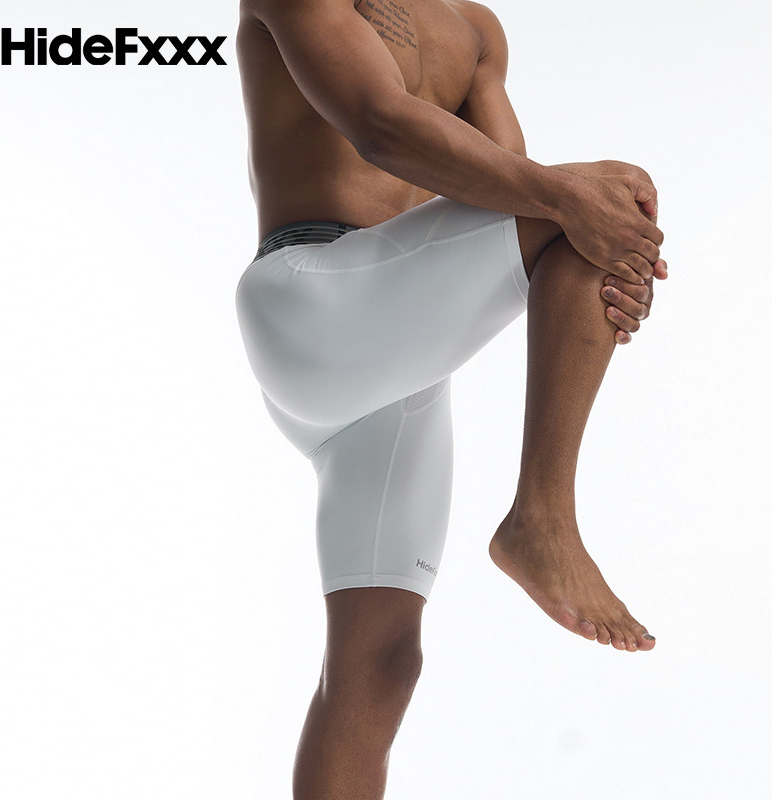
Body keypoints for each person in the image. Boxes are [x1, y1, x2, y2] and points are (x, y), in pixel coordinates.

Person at [234, 0, 667, 797]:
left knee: (381, 665)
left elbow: (512, 202)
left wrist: (614, 264)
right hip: (313, 303)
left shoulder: (475, 30)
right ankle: (542, 518)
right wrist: (581, 215)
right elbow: (378, 123)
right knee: (601, 195)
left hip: (399, 375)